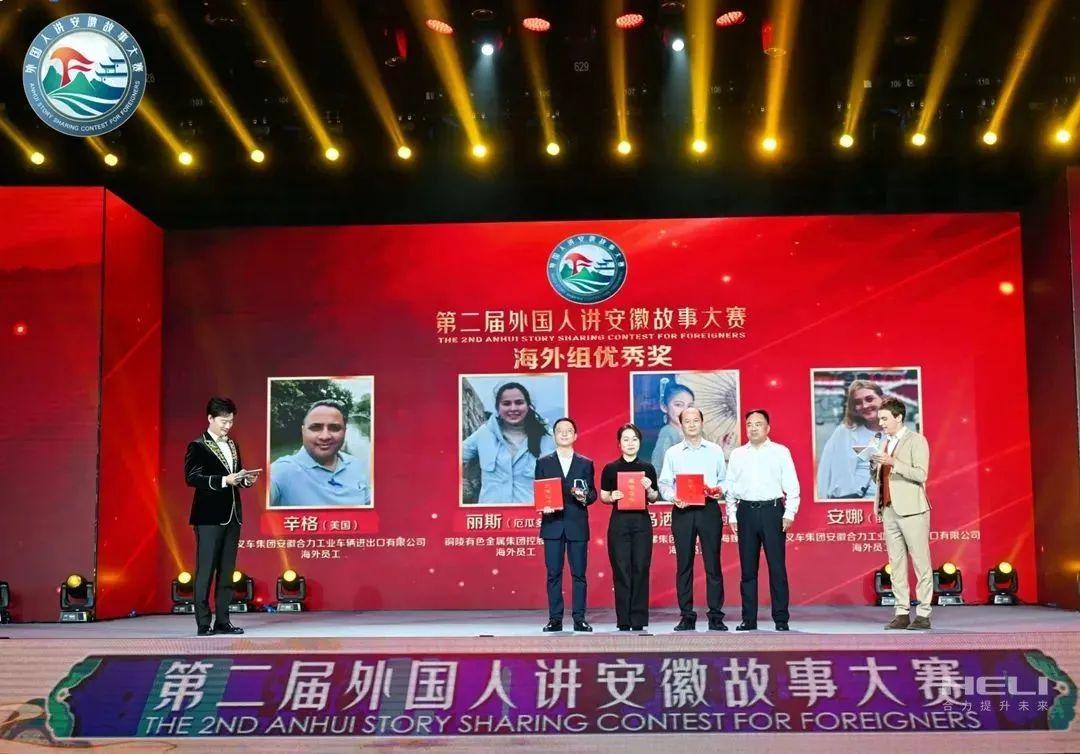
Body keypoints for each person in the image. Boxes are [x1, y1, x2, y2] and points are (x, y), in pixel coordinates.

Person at [184, 397, 260, 636]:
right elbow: (192, 478)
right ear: (210, 418)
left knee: (227, 572)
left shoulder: (233, 445)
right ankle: (203, 623)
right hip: (208, 516)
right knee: (205, 571)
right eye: (223, 421)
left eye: (230, 422)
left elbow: (234, 477)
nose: (227, 426)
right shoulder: (198, 446)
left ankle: (223, 621)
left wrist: (245, 480)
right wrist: (224, 480)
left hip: (232, 515)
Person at [726, 410, 800, 631]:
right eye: (749, 424)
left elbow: (792, 485)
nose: (753, 428)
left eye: (758, 424)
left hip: (772, 511)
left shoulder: (780, 452)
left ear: (768, 428)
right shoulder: (738, 454)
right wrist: (732, 514)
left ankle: (781, 619)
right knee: (748, 570)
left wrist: (790, 513)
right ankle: (748, 619)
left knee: (777, 567)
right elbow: (730, 487)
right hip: (746, 512)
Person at [658, 407, 728, 631]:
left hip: (709, 509)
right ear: (681, 425)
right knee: (684, 565)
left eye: (695, 420)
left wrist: (718, 490)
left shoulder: (715, 451)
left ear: (701, 422)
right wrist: (673, 497)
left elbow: (725, 480)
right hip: (683, 511)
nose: (691, 424)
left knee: (713, 563)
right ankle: (687, 615)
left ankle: (715, 616)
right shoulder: (673, 453)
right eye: (687, 421)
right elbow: (664, 483)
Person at [872, 397, 933, 630]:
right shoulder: (884, 443)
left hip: (912, 510)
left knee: (920, 562)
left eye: (884, 419)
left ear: (898, 417)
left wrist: (892, 461)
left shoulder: (916, 440)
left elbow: (921, 474)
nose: (881, 423)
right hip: (889, 509)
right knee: (896, 563)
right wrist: (874, 464)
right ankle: (901, 612)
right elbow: (880, 478)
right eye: (880, 419)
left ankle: (924, 613)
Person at [535, 418, 597, 632]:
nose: (564, 434)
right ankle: (555, 619)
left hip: (577, 524)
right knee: (553, 573)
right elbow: (540, 492)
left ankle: (579, 618)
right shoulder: (543, 462)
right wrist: (543, 506)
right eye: (559, 431)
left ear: (575, 435)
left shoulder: (585, 463)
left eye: (568, 430)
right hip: (552, 524)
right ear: (553, 435)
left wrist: (584, 497)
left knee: (579, 573)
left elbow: (592, 494)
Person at [600, 423, 659, 631]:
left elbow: (654, 497)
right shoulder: (610, 468)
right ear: (619, 443)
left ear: (639, 442)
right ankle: (624, 619)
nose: (630, 443)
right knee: (621, 570)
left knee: (641, 568)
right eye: (626, 439)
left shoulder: (648, 468)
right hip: (619, 524)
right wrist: (612, 496)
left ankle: (639, 619)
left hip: (641, 523)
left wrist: (649, 488)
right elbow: (603, 496)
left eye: (634, 439)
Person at [462, 382, 555, 505]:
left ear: (528, 405)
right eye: (506, 404)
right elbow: (452, 457)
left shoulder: (548, 437)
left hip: (530, 514)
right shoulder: (485, 433)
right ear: (498, 408)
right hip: (492, 514)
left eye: (519, 402)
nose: (513, 408)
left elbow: (557, 481)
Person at [270, 399, 371, 507]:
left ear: (345, 431)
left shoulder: (356, 465)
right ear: (303, 431)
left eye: (334, 428)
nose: (325, 436)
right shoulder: (281, 471)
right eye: (315, 428)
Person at [816, 379, 883, 499]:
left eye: (869, 399)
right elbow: (825, 471)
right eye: (858, 402)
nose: (865, 406)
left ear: (882, 399)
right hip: (854, 501)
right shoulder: (845, 432)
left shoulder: (898, 433)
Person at [650, 378, 695, 470]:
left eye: (690, 406)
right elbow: (659, 467)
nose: (685, 411)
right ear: (664, 407)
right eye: (678, 405)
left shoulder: (694, 431)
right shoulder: (668, 432)